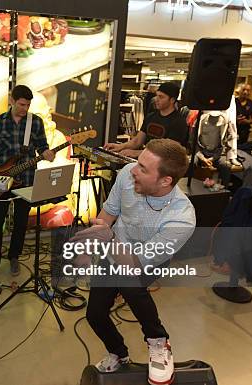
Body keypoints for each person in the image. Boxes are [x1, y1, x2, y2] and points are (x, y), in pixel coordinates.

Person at [71, 139, 196, 385]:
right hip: (115, 249)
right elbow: (107, 215)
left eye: (143, 169)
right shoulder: (128, 174)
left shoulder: (182, 218)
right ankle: (119, 353)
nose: (134, 170)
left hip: (145, 260)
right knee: (94, 314)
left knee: (128, 281)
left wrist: (109, 237)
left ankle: (159, 342)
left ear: (165, 181)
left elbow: (134, 263)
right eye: (138, 163)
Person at [0, 85, 55, 276]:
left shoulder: (35, 122)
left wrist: (47, 153)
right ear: (12, 101)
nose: (25, 108)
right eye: (21, 104)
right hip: (2, 178)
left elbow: (42, 147)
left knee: (21, 221)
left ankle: (14, 257)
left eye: (28, 105)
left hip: (27, 178)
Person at [105, 82, 188, 159]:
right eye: (157, 95)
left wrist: (138, 153)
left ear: (172, 100)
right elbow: (137, 141)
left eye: (161, 97)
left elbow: (168, 152)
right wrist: (119, 146)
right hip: (146, 160)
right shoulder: (151, 116)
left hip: (162, 168)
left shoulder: (179, 122)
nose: (156, 99)